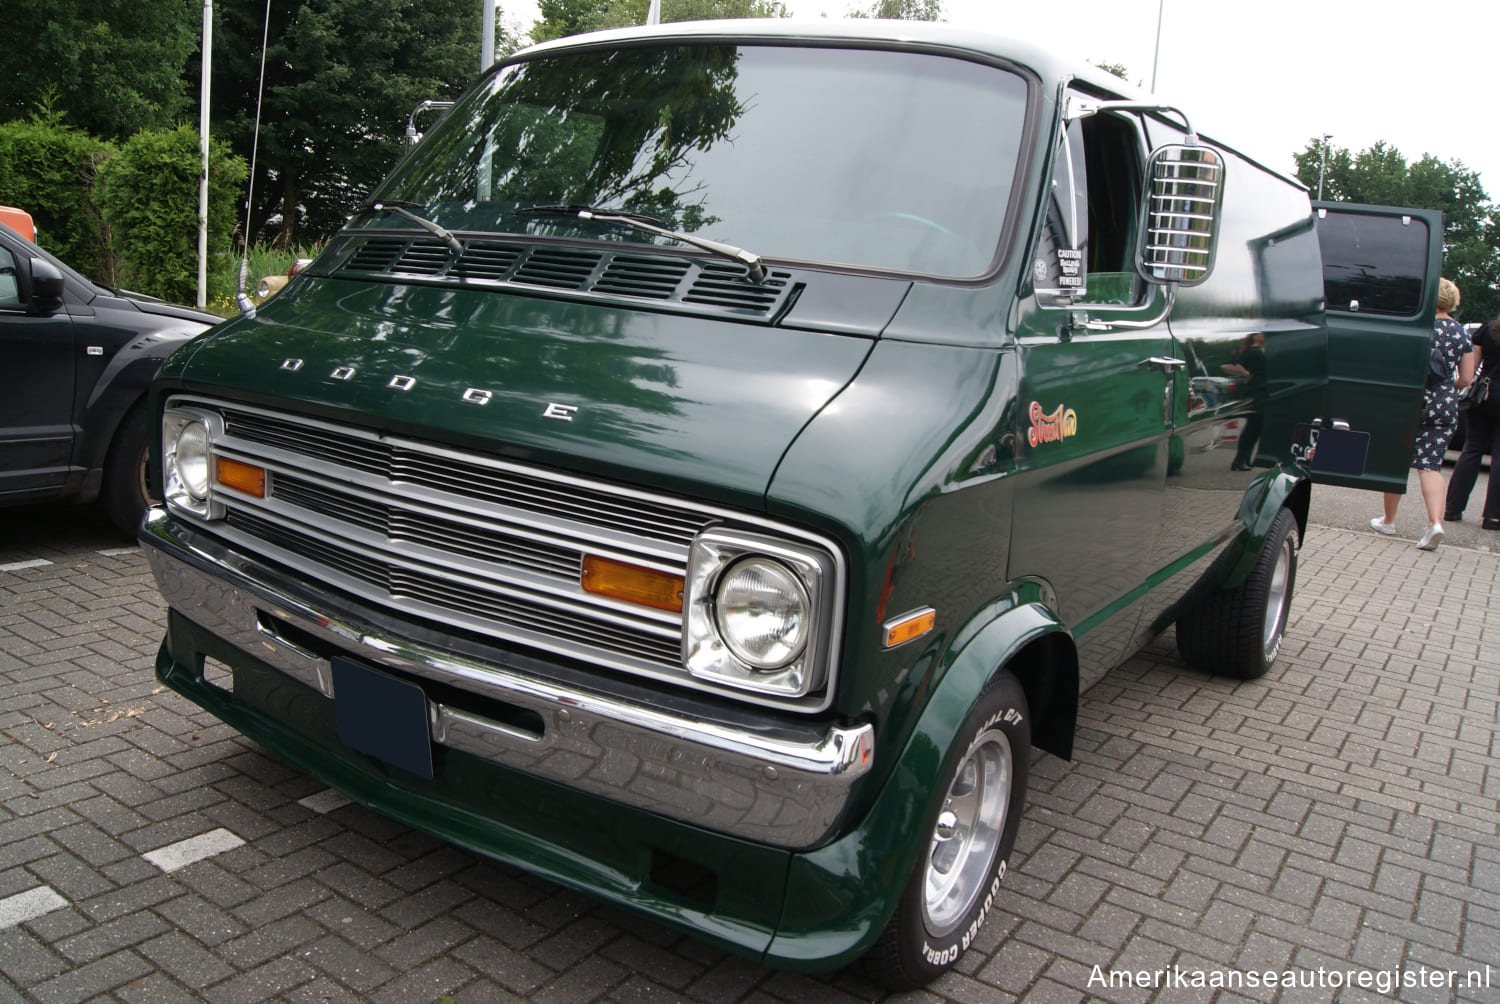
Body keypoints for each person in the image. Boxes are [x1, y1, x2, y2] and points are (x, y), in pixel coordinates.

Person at [1370, 277, 1476, 550]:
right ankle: (1434, 524)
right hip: (1444, 403)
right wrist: (1444, 388)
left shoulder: (1418, 325)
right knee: (1429, 466)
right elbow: (1465, 378)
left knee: (1396, 462)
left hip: (1410, 400)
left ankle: (1389, 520)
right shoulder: (1461, 333)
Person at [1443, 319, 1500, 530]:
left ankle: (1453, 509)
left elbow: (1473, 366)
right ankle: (1493, 517)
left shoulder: (1489, 329)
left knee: (1472, 449)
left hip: (1484, 394)